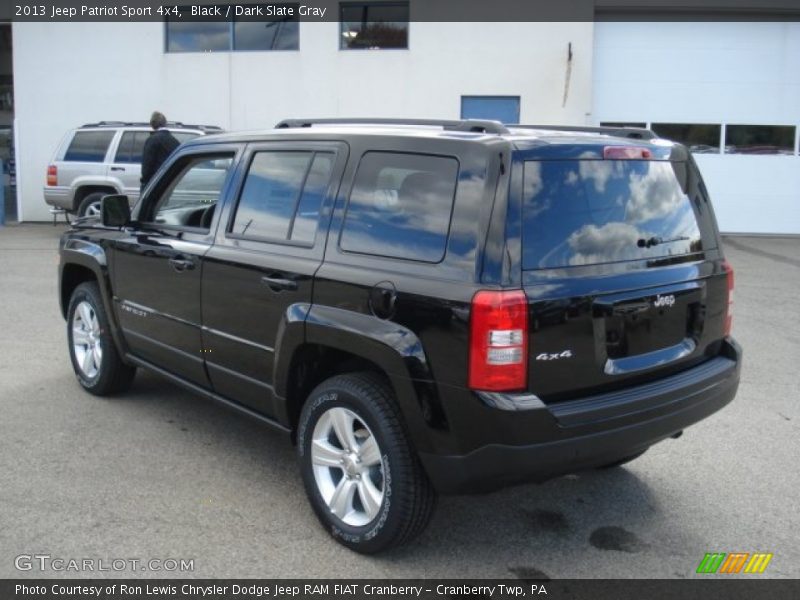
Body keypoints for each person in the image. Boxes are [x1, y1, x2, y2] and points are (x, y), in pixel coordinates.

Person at [140, 111, 180, 188]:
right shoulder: (174, 140)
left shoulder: (152, 140)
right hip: (168, 182)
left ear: (152, 124)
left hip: (154, 182)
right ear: (165, 123)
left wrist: (144, 180)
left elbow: (147, 165)